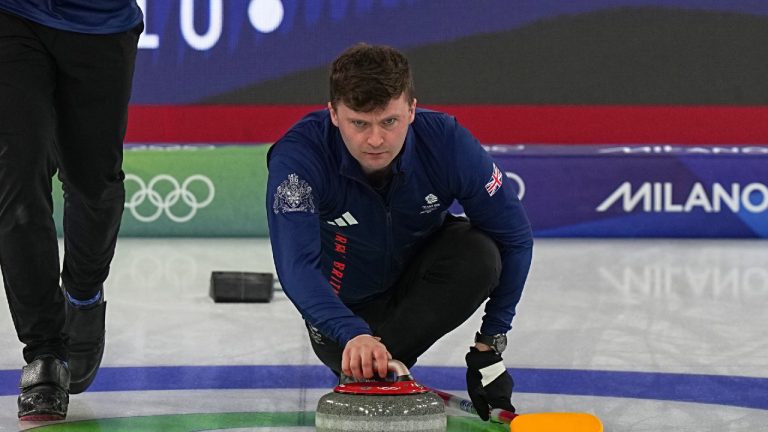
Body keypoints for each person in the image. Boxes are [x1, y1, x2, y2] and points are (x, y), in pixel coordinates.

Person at [266, 43, 533, 420]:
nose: (376, 140)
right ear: (334, 115)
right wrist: (351, 332)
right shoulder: (298, 159)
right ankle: (366, 364)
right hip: (339, 318)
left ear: (411, 110)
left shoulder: (446, 142)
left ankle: (372, 370)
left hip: (421, 286)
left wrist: (490, 344)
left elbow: (515, 238)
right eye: (360, 123)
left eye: (389, 122)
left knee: (480, 252)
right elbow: (296, 266)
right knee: (347, 329)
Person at [0, 0, 143, 421]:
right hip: (12, 15)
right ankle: (44, 353)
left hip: (99, 23)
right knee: (15, 177)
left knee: (93, 186)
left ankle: (83, 292)